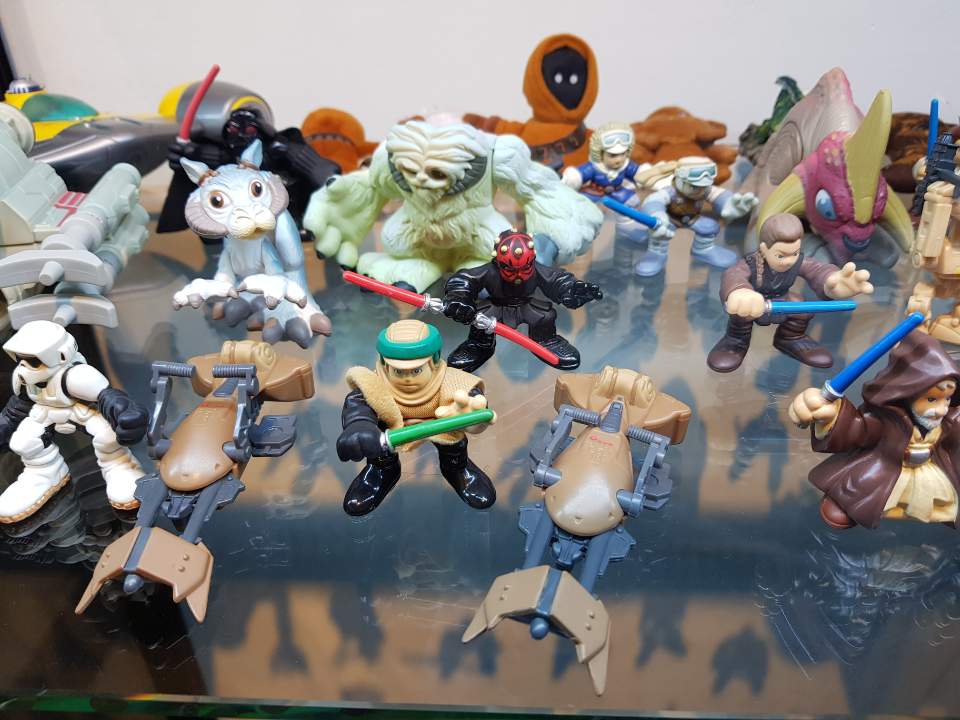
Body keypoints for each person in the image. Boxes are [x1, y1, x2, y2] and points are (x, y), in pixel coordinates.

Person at [789, 331, 960, 529]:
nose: (942, 409)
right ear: (907, 393)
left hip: (928, 470)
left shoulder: (948, 420)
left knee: (938, 499)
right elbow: (857, 428)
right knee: (861, 485)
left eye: (947, 398)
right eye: (931, 399)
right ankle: (848, 502)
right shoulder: (888, 418)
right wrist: (831, 416)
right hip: (885, 468)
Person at [335, 320, 496, 516]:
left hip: (441, 423)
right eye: (398, 371)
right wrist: (359, 424)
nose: (408, 378)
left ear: (433, 361)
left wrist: (471, 417)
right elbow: (358, 401)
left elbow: (473, 401)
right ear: (385, 364)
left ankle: (457, 468)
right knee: (378, 445)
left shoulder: (451, 380)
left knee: (454, 447)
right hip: (393, 428)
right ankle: (382, 470)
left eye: (416, 370)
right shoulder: (376, 382)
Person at [707, 213, 873, 372]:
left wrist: (832, 282)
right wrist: (740, 292)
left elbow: (817, 269)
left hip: (783, 302)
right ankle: (735, 342)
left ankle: (791, 337)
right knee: (742, 314)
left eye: (794, 253)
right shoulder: (750, 263)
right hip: (755, 304)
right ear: (764, 249)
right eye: (781, 256)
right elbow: (734, 274)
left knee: (801, 306)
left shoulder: (798, 261)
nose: (789, 261)